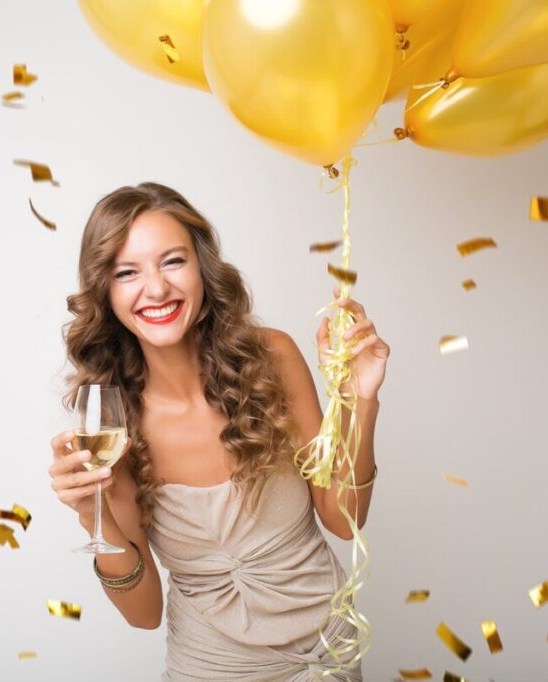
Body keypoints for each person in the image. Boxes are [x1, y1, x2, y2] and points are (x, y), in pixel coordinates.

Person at [48, 182, 389, 681]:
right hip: (210, 669)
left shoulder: (272, 357)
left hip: (327, 658)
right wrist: (91, 516)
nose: (157, 289)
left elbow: (344, 520)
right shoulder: (113, 426)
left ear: (202, 268)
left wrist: (361, 400)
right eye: (127, 272)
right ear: (106, 290)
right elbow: (144, 614)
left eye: (172, 261)